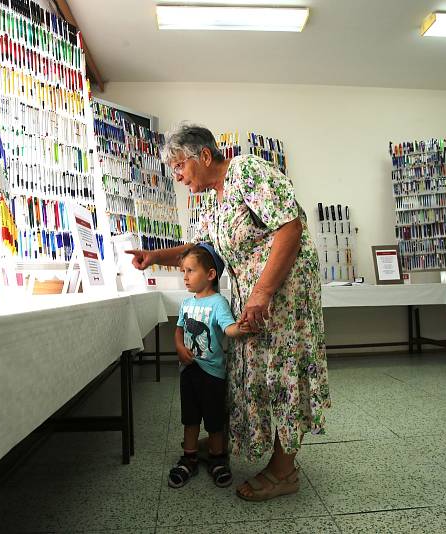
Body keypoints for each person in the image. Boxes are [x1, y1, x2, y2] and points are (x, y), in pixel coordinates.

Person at [128, 124, 329, 502]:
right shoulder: (214, 202)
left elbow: (290, 226)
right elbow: (200, 250)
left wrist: (263, 292)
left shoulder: (247, 172)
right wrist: (156, 257)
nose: (178, 176)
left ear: (204, 156)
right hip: (253, 300)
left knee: (282, 372)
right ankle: (236, 438)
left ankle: (285, 470)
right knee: (252, 373)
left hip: (284, 294)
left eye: (179, 167)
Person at [169, 243, 249, 489]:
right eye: (184, 271)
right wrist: (180, 348)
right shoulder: (187, 304)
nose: (185, 277)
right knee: (190, 418)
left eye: (190, 271)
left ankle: (217, 459)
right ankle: (189, 458)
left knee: (214, 420)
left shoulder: (218, 304)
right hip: (189, 372)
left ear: (211, 274)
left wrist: (241, 327)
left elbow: (228, 328)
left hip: (212, 374)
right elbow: (179, 330)